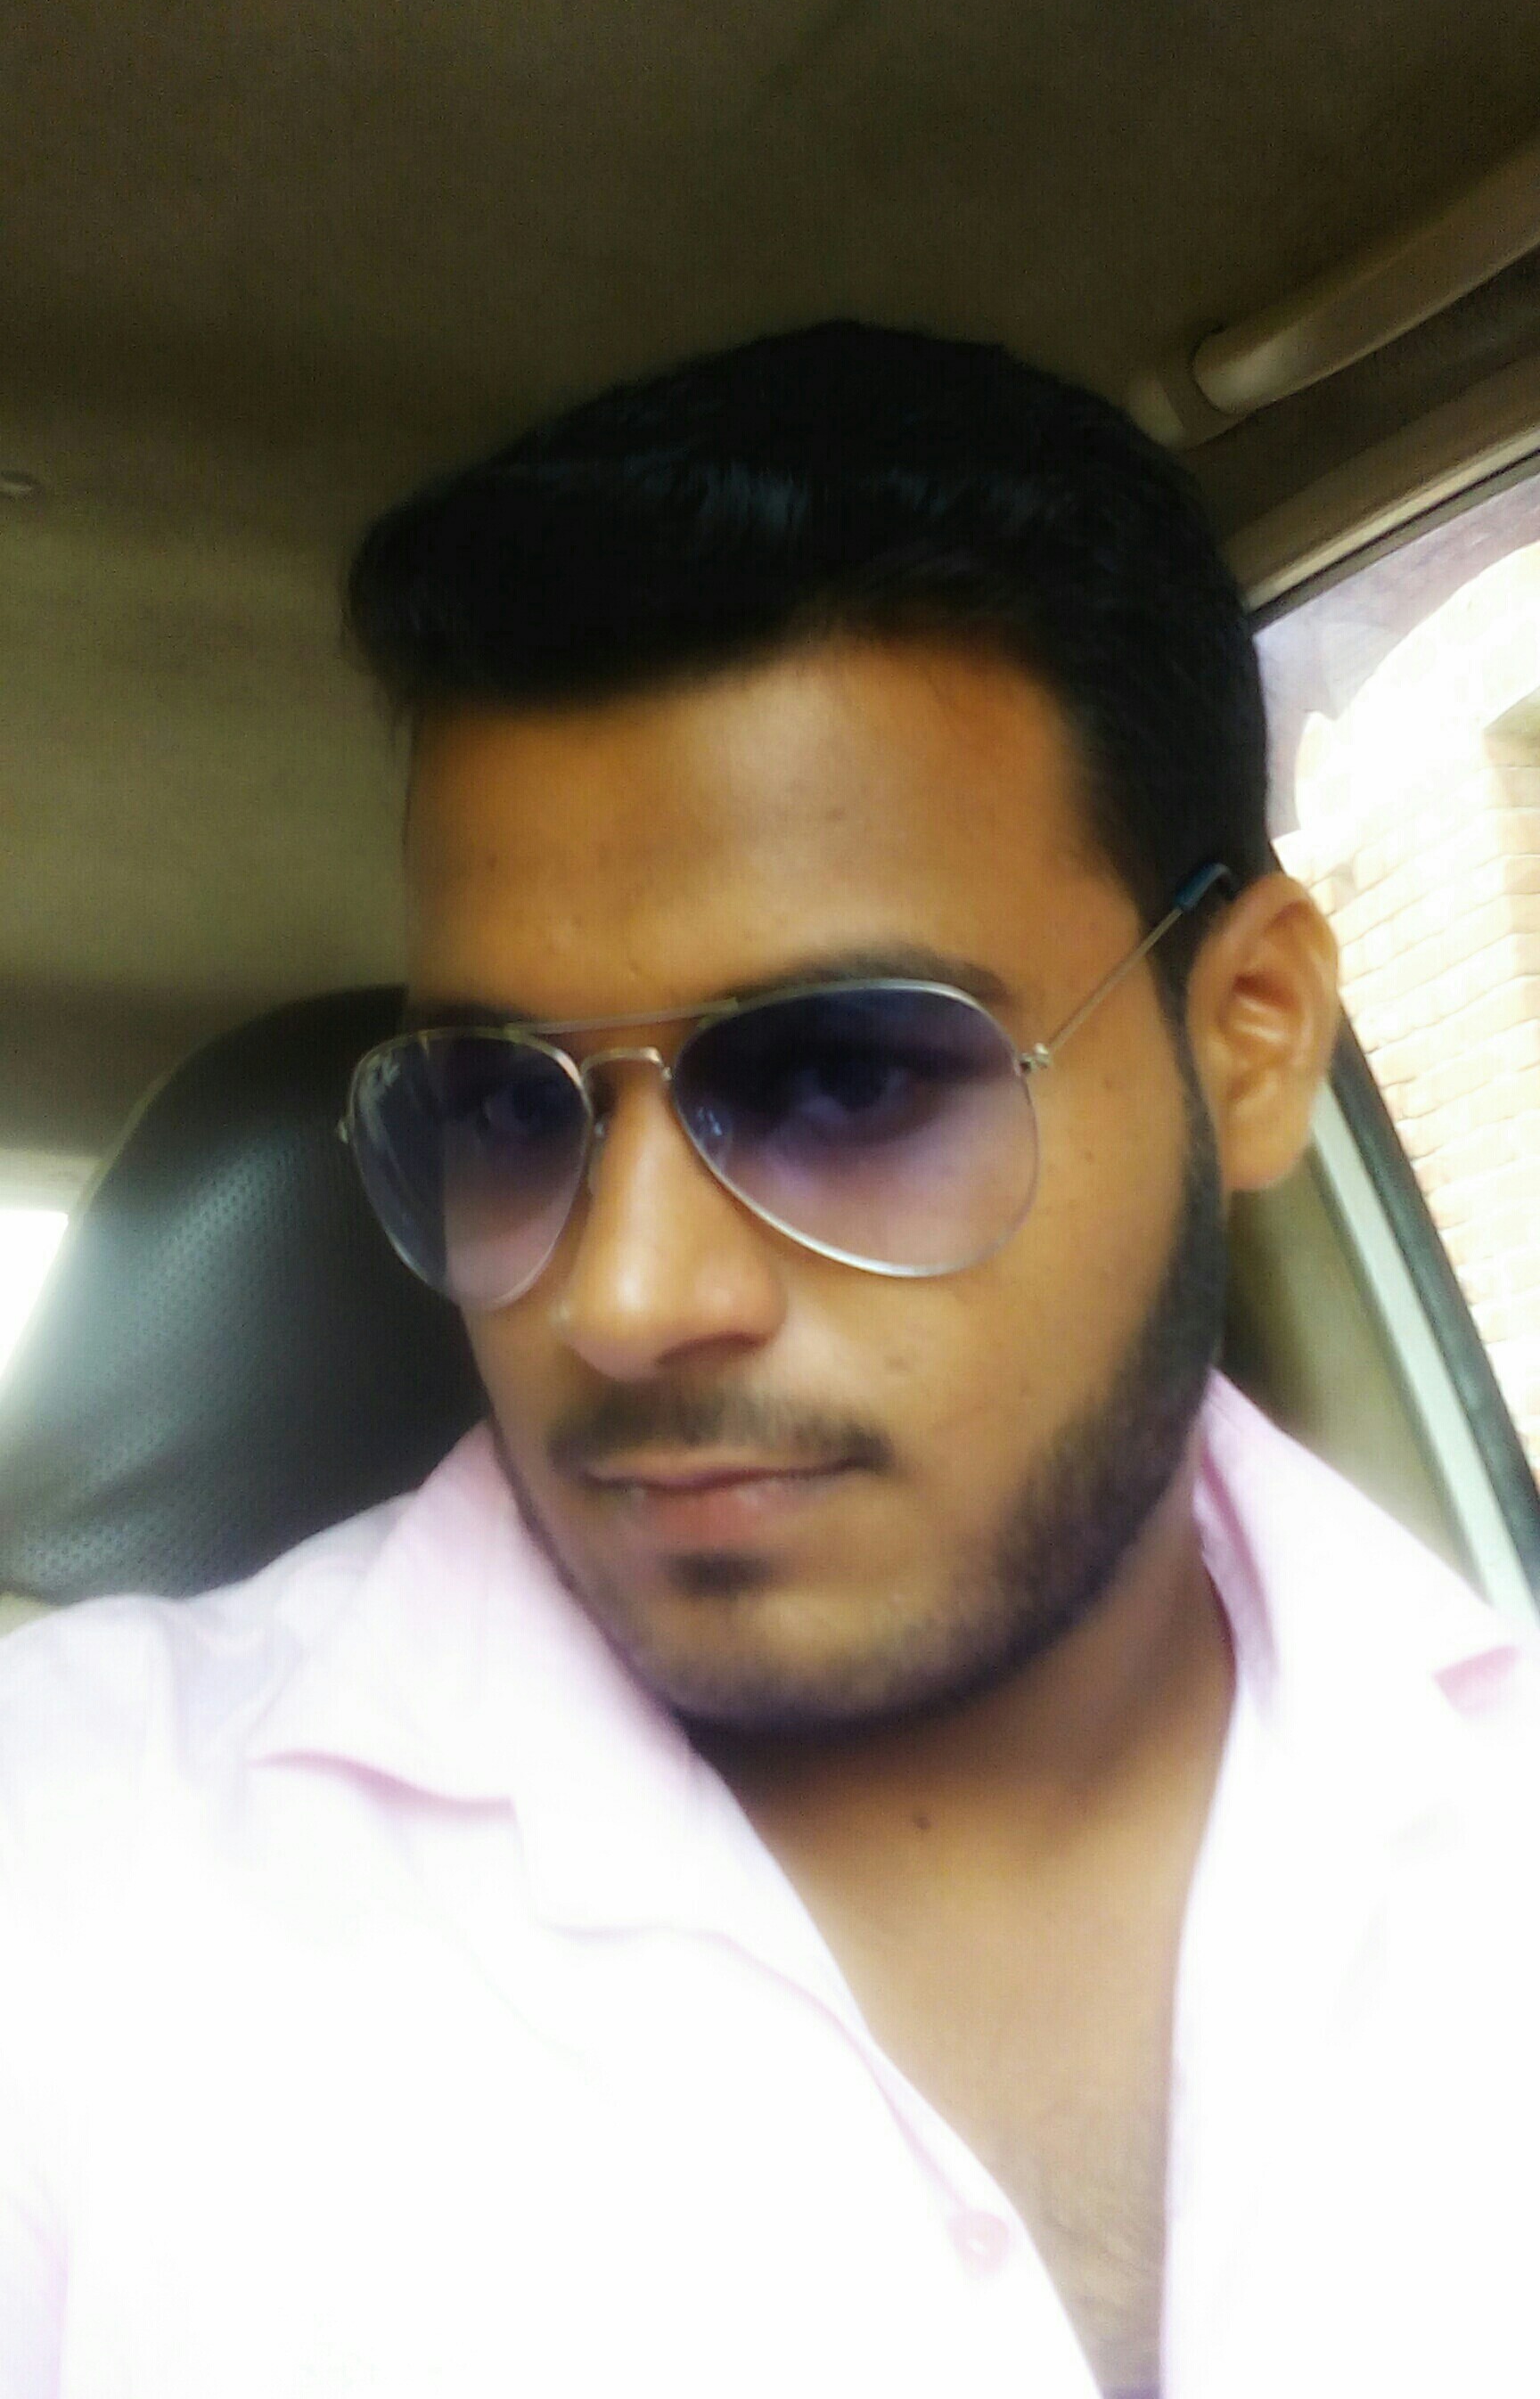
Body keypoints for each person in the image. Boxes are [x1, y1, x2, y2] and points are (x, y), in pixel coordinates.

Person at [2, 323, 1536, 2399]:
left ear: (1250, 1040)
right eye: (505, 1108)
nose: (622, 1299)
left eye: (841, 1077)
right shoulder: (78, 1884)